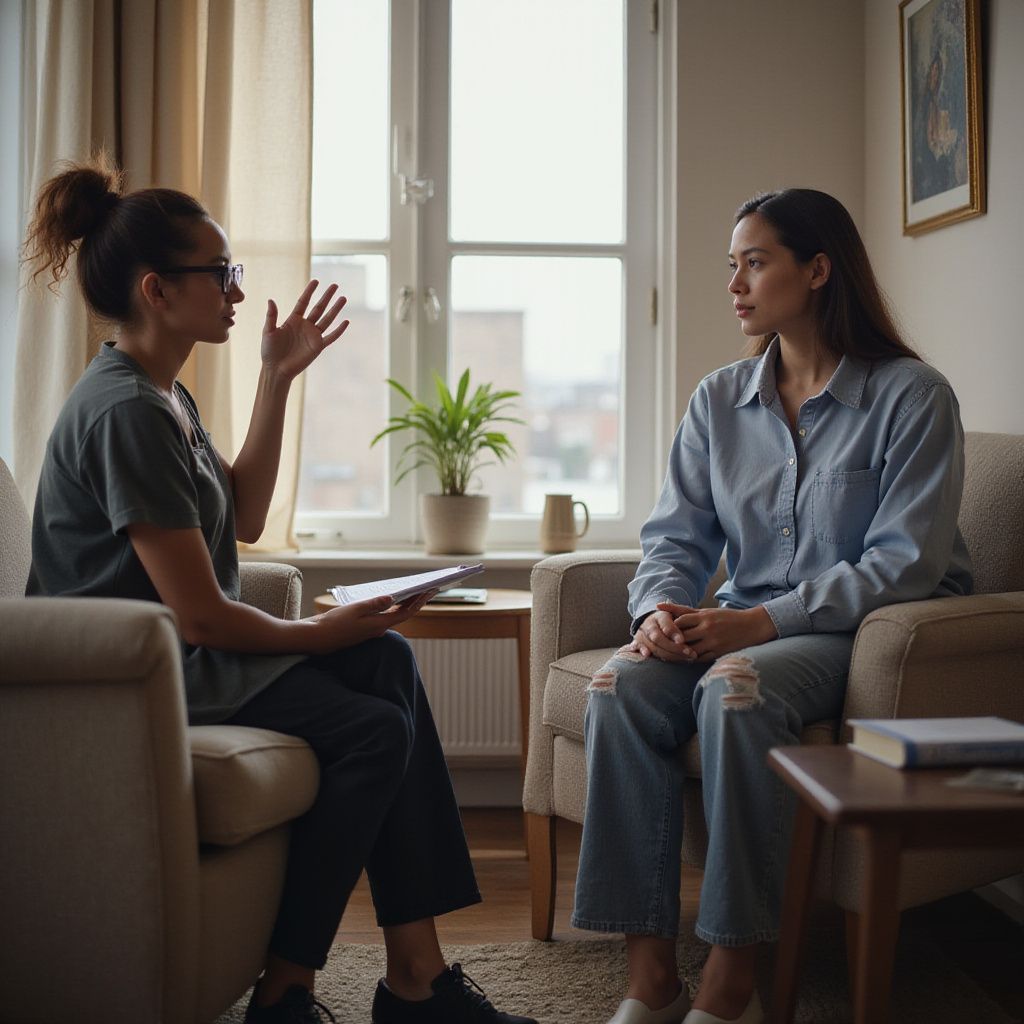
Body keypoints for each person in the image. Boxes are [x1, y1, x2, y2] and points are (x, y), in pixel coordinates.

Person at [23, 155, 537, 1024]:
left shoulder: (164, 397)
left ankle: (417, 976)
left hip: (185, 659)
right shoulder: (124, 413)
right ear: (157, 289)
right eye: (220, 273)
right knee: (374, 724)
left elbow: (247, 516)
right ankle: (289, 987)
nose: (234, 290)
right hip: (134, 683)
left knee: (389, 666)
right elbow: (198, 614)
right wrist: (323, 632)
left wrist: (276, 377)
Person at [572, 188, 972, 1024]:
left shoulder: (913, 396)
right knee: (616, 688)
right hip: (741, 621)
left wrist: (756, 623)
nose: (736, 284)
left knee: (736, 689)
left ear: (818, 269)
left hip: (856, 637)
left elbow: (903, 563)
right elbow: (674, 538)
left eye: (756, 262)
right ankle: (649, 983)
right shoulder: (718, 401)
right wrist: (660, 612)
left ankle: (733, 980)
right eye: (733, 265)